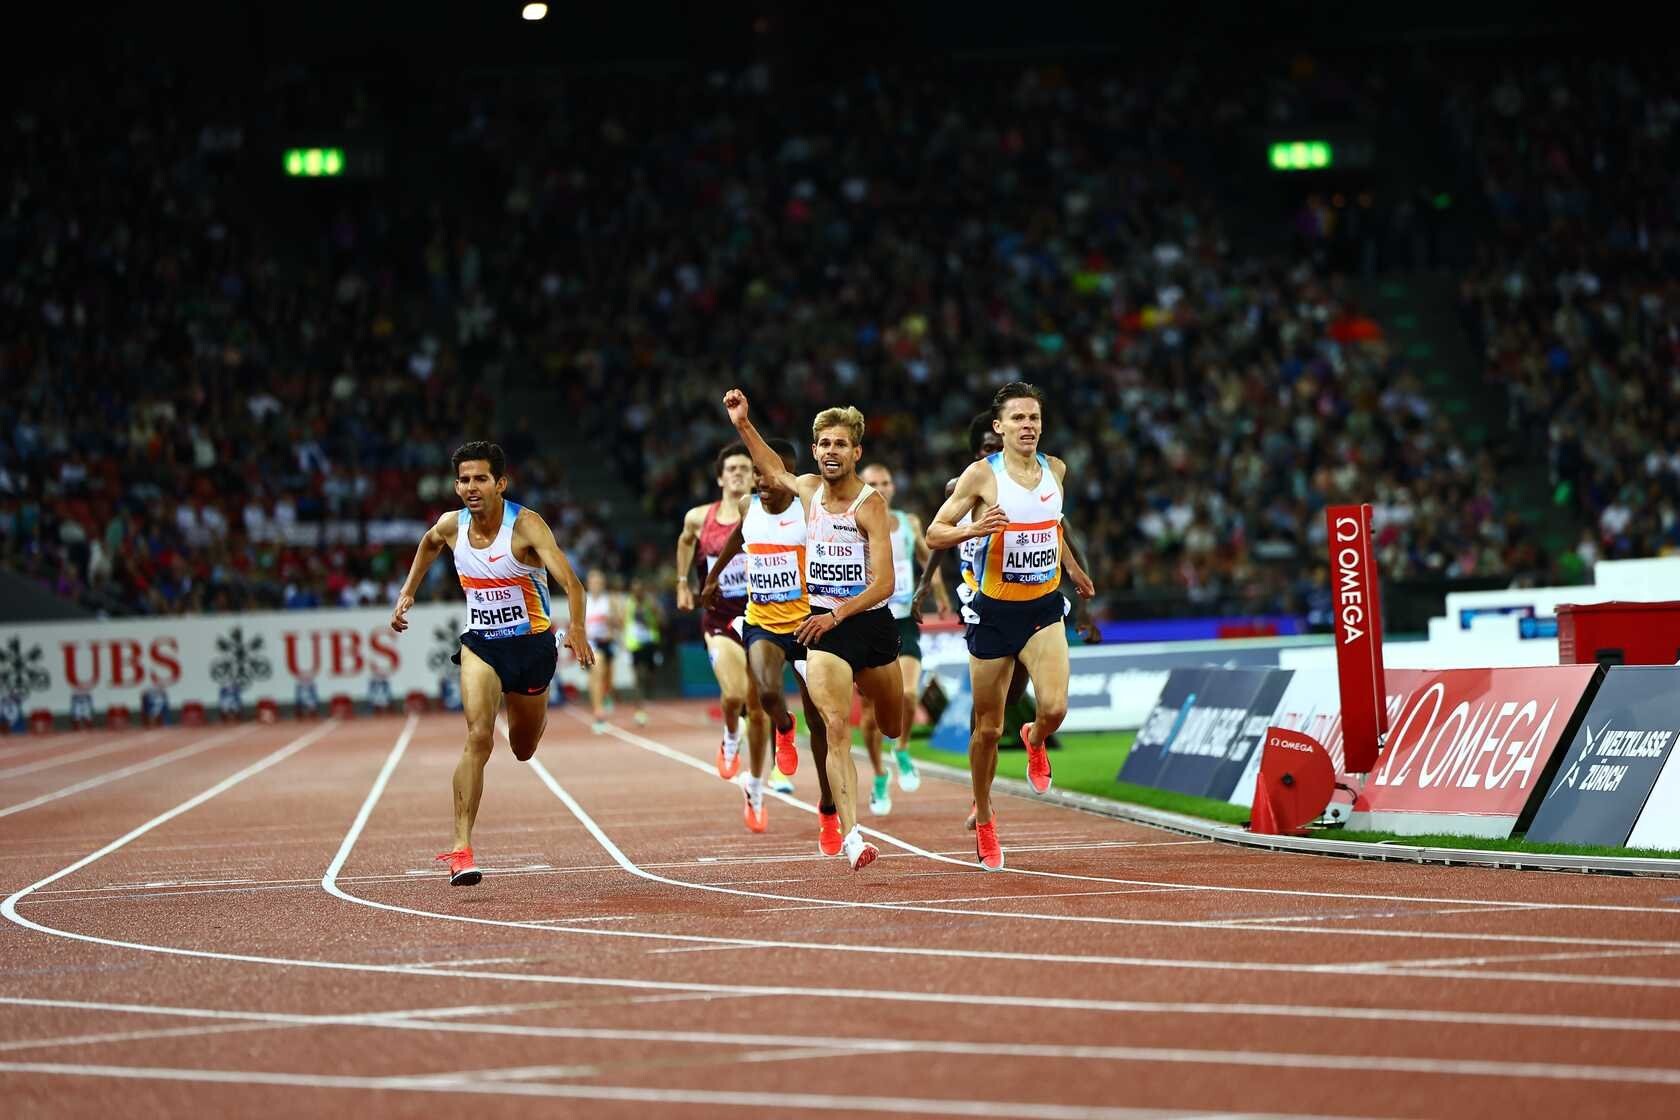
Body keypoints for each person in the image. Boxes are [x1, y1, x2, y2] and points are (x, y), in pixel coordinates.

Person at [390, 441, 593, 886]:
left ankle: (534, 715)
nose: (471, 487)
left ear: (500, 483)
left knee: (523, 749)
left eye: (480, 479)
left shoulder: (526, 526)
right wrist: (408, 592)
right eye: (464, 480)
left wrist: (577, 628)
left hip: (532, 648)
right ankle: (461, 849)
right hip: (481, 645)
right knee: (478, 737)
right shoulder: (452, 525)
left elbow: (573, 584)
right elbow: (428, 544)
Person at [724, 389, 905, 871]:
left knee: (892, 724)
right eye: (824, 443)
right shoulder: (807, 489)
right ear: (815, 449)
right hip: (824, 631)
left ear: (856, 452)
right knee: (834, 727)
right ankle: (852, 836)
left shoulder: (870, 505)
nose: (830, 451)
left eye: (840, 444)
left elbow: (885, 583)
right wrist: (743, 424)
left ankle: (869, 694)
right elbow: (772, 467)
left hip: (869, 625)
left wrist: (838, 614)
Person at [927, 384, 1095, 870]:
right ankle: (984, 817)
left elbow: (1052, 526)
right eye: (1018, 418)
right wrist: (973, 529)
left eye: (1034, 418)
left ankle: (1035, 738)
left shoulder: (1056, 470)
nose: (1028, 426)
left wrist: (1073, 570)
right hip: (994, 614)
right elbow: (935, 533)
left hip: (1043, 607)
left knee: (1055, 707)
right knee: (987, 728)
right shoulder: (982, 474)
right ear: (999, 426)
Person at [702, 437, 844, 851]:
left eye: (768, 474)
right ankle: (784, 726)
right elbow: (737, 539)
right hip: (762, 623)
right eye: (757, 473)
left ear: (789, 476)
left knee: (820, 723)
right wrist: (713, 577)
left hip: (807, 626)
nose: (761, 481)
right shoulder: (748, 508)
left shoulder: (810, 510)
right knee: (765, 694)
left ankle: (828, 808)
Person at [854, 463, 950, 815]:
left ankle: (903, 748)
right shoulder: (850, 521)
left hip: (904, 621)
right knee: (869, 713)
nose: (881, 488)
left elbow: (927, 560)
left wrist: (939, 595)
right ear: (862, 486)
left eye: (886, 482)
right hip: (867, 622)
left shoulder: (908, 523)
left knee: (909, 694)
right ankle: (880, 774)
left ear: (893, 486)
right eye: (873, 483)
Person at [675, 444, 772, 785]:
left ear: (755, 477)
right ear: (720, 478)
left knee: (759, 708)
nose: (738, 473)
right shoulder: (699, 517)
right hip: (720, 620)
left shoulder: (766, 514)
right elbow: (685, 541)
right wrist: (682, 582)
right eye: (731, 468)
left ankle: (757, 783)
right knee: (734, 695)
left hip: (763, 621)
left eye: (745, 468)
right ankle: (731, 736)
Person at [583, 569, 623, 733]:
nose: (596, 585)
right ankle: (598, 712)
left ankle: (606, 695)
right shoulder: (583, 600)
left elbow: (620, 624)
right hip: (591, 643)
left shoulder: (609, 601)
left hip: (608, 643)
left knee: (608, 681)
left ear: (603, 584)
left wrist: (612, 621)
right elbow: (576, 624)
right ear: (588, 584)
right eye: (593, 582)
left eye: (598, 582)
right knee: (596, 671)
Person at [623, 579, 663, 727]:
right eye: (635, 591)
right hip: (634, 644)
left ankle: (646, 695)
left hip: (650, 642)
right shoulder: (628, 604)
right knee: (638, 675)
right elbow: (623, 622)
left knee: (649, 675)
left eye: (639, 591)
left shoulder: (650, 603)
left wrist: (654, 611)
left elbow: (661, 620)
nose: (637, 594)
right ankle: (639, 707)